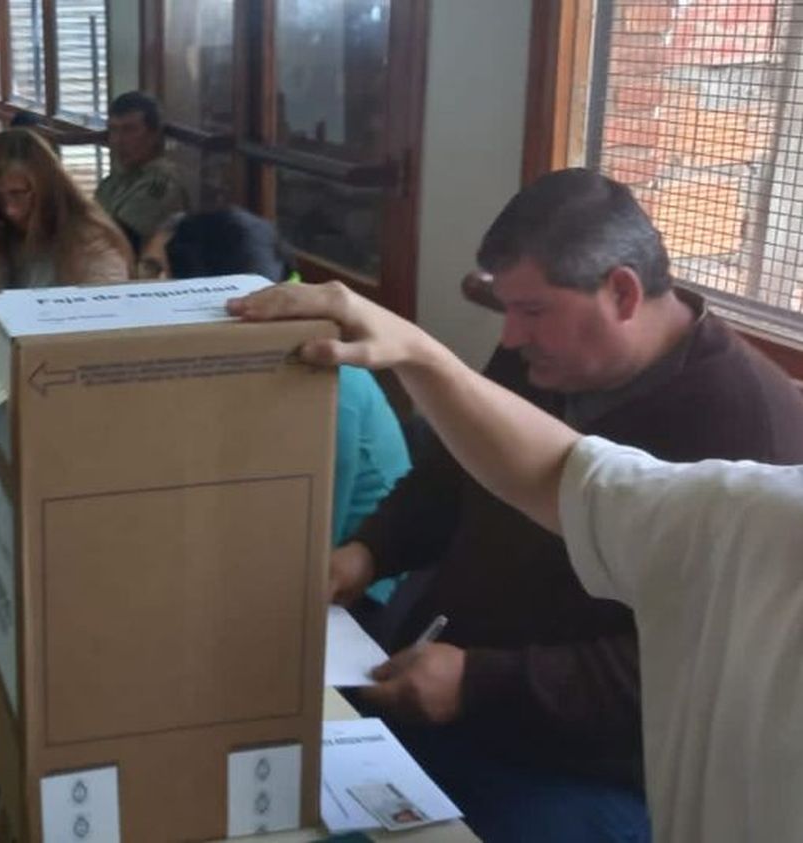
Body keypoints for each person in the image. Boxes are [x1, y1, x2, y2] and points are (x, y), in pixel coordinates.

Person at [227, 280, 803, 843]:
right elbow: (511, 473)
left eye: (531, 310)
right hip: (443, 700)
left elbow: (670, 664)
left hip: (585, 768)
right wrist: (370, 550)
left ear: (623, 296)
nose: (510, 333)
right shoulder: (539, 354)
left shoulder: (748, 430)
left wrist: (482, 682)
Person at [163, 208, 412, 561]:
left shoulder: (326, 383)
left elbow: (306, 546)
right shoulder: (248, 359)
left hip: (359, 590)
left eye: (161, 280)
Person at [0, 128, 132, 292]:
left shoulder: (91, 244)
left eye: (18, 194)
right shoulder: (3, 235)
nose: (10, 210)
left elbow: (107, 310)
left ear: (46, 188)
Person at [95, 91, 189, 252]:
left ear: (154, 135)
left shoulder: (161, 183)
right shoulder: (117, 178)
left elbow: (119, 240)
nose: (118, 140)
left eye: (129, 130)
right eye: (113, 130)